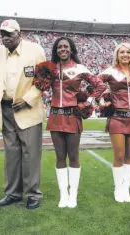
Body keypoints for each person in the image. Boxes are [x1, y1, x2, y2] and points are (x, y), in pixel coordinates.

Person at [34, 37, 106, 208]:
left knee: (73, 156)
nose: (63, 49)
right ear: (56, 50)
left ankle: (73, 194)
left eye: (66, 46)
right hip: (55, 116)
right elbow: (38, 84)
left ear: (71, 49)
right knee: (59, 157)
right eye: (59, 47)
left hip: (73, 116)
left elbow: (100, 85)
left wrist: (87, 100)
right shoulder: (50, 68)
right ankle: (63, 195)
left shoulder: (80, 68)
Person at [0, 19, 46, 210]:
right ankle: (13, 193)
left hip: (28, 108)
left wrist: (29, 98)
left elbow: (43, 79)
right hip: (5, 108)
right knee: (11, 152)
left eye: (9, 34)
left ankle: (33, 193)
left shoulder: (35, 51)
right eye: (2, 34)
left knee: (31, 152)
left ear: (19, 34)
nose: (5, 37)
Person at [97, 43, 130, 203]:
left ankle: (126, 189)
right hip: (117, 117)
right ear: (117, 55)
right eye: (122, 52)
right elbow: (94, 83)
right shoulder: (110, 71)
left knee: (129, 156)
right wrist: (102, 99)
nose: (125, 54)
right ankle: (118, 189)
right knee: (119, 155)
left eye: (128, 52)